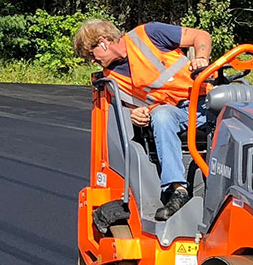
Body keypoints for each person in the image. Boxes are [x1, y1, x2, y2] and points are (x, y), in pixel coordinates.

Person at [73, 19, 213, 221]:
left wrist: (201, 57)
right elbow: (133, 106)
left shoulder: (148, 34)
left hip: (204, 99)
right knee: (161, 116)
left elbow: (201, 35)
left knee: (239, 112)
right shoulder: (111, 78)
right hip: (176, 113)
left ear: (103, 42)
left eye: (92, 55)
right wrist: (135, 114)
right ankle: (178, 190)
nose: (93, 61)